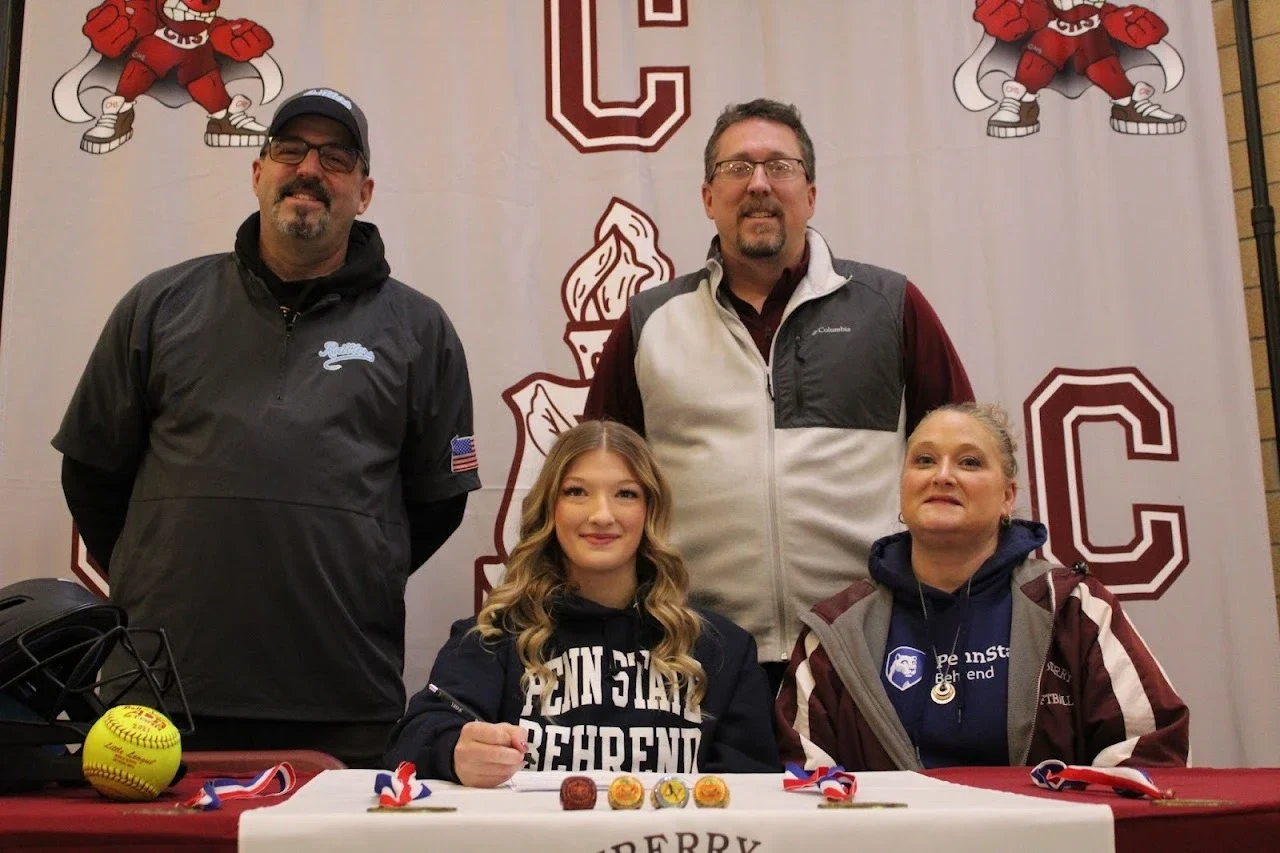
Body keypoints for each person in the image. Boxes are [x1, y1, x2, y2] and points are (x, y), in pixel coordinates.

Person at [52, 87, 480, 767]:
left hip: (340, 699)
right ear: (258, 171)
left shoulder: (423, 332)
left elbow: (440, 499)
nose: (309, 168)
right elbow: (92, 473)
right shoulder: (159, 306)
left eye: (335, 157)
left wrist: (352, 561)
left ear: (363, 192)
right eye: (290, 149)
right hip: (162, 689)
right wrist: (159, 566)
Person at [585, 98, 974, 693]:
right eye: (737, 168)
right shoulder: (650, 322)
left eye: (780, 167)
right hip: (694, 648)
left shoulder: (890, 308)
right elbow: (596, 480)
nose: (759, 184)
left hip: (869, 643)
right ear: (708, 197)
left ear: (811, 194)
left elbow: (966, 464)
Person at [775, 403, 1189, 770]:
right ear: (901, 490)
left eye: (969, 463)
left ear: (1008, 497)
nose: (942, 476)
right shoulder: (837, 630)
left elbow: (1151, 750)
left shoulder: (1072, 607)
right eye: (923, 460)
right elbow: (803, 781)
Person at [384, 421, 778, 785]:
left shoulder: (722, 649)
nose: (601, 515)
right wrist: (454, 751)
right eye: (576, 492)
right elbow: (412, 740)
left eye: (625, 494)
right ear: (549, 509)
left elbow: (753, 791)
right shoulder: (491, 639)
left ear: (650, 511)